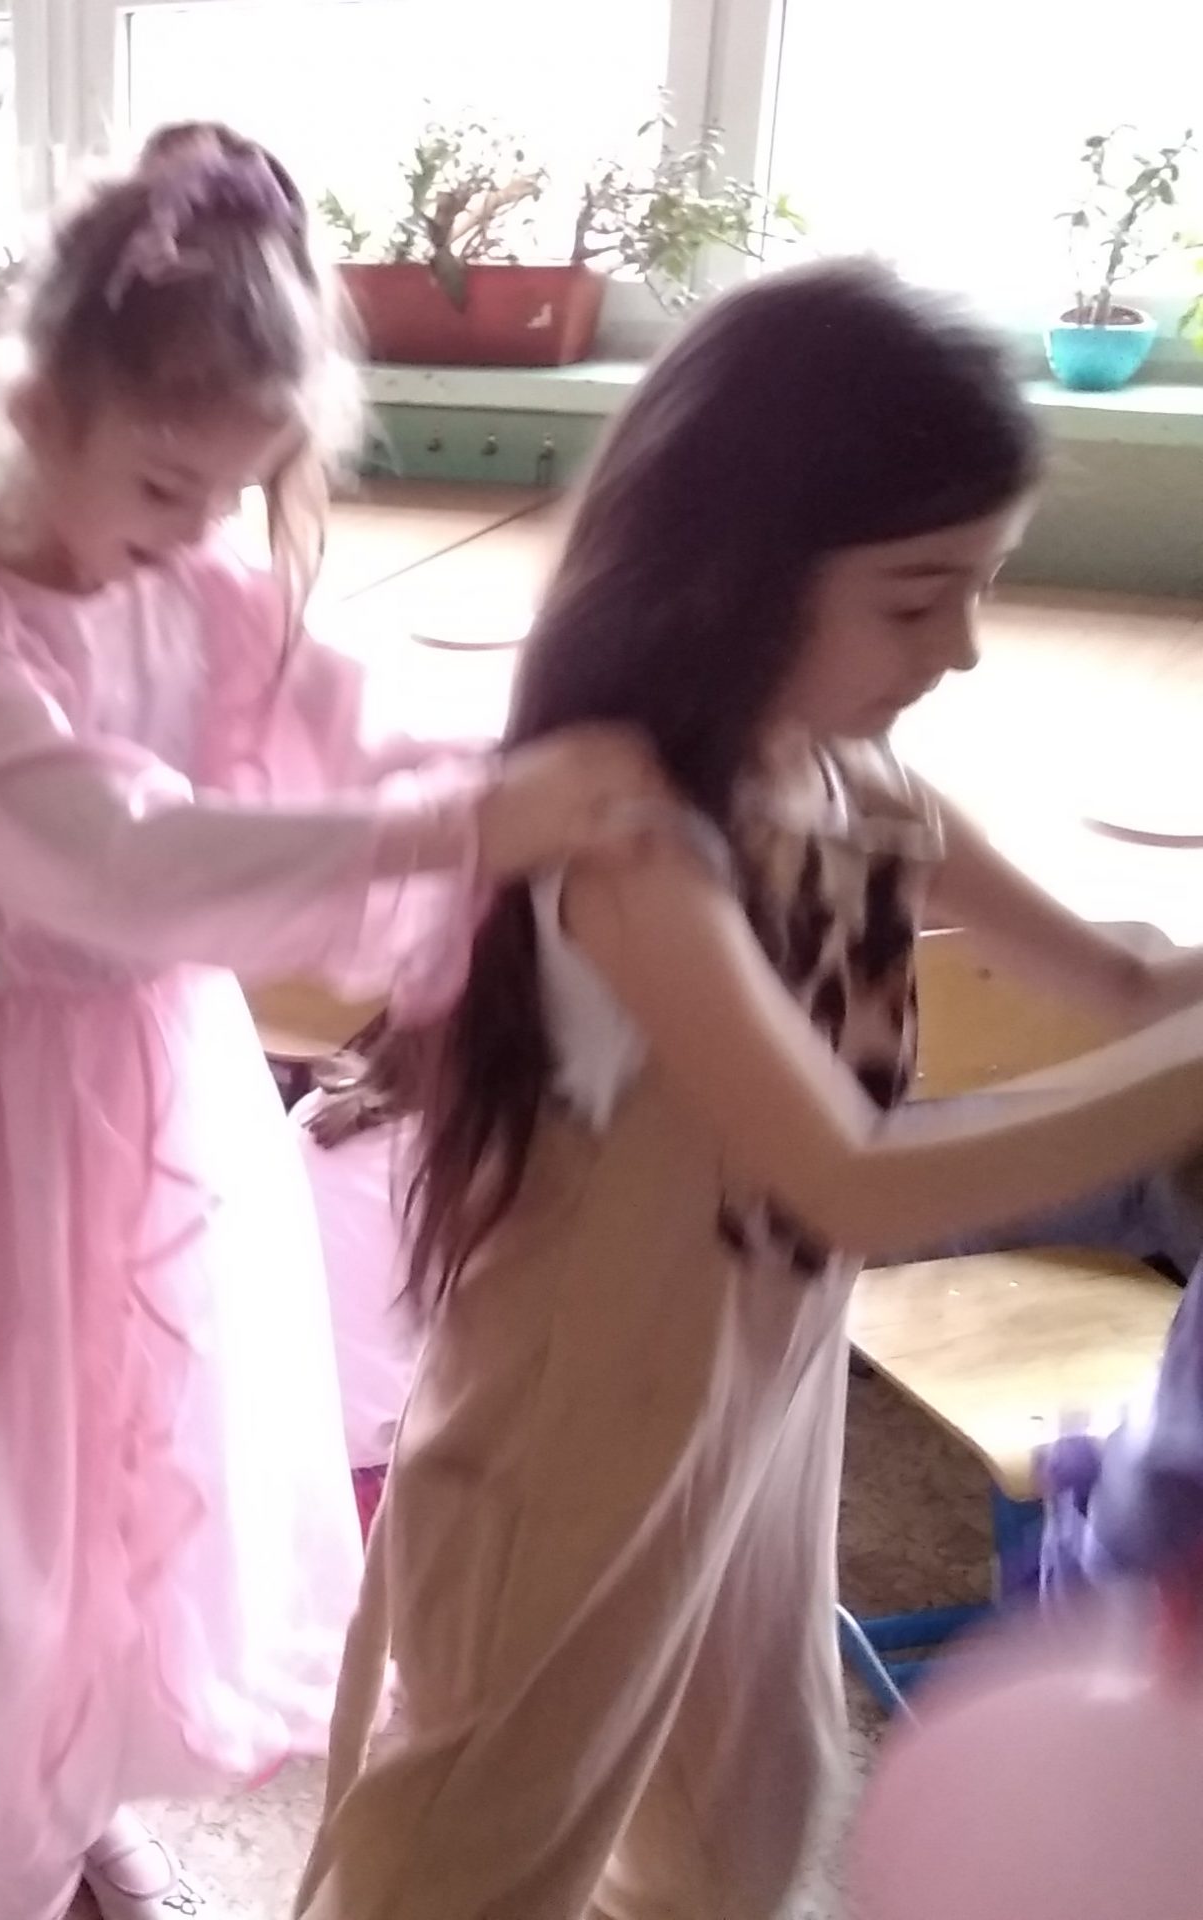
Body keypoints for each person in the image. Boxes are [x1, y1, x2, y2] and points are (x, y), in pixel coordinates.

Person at [0, 123, 663, 1920]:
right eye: (165, 484)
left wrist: (541, 766)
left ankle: (65, 1792)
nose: (201, 531)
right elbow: (109, 854)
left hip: (158, 1085)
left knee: (139, 1497)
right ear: (40, 409)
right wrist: (466, 824)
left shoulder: (207, 589)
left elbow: (365, 734)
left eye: (232, 494)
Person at [296, 262, 1203, 1920]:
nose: (964, 647)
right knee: (471, 1857)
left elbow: (1127, 982)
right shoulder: (637, 844)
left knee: (748, 1831)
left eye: (983, 587)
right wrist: (1177, 1089)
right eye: (916, 600)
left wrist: (1174, 1023)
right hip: (580, 1422)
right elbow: (845, 1177)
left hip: (761, 1396)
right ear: (738, 574)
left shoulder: (867, 788)